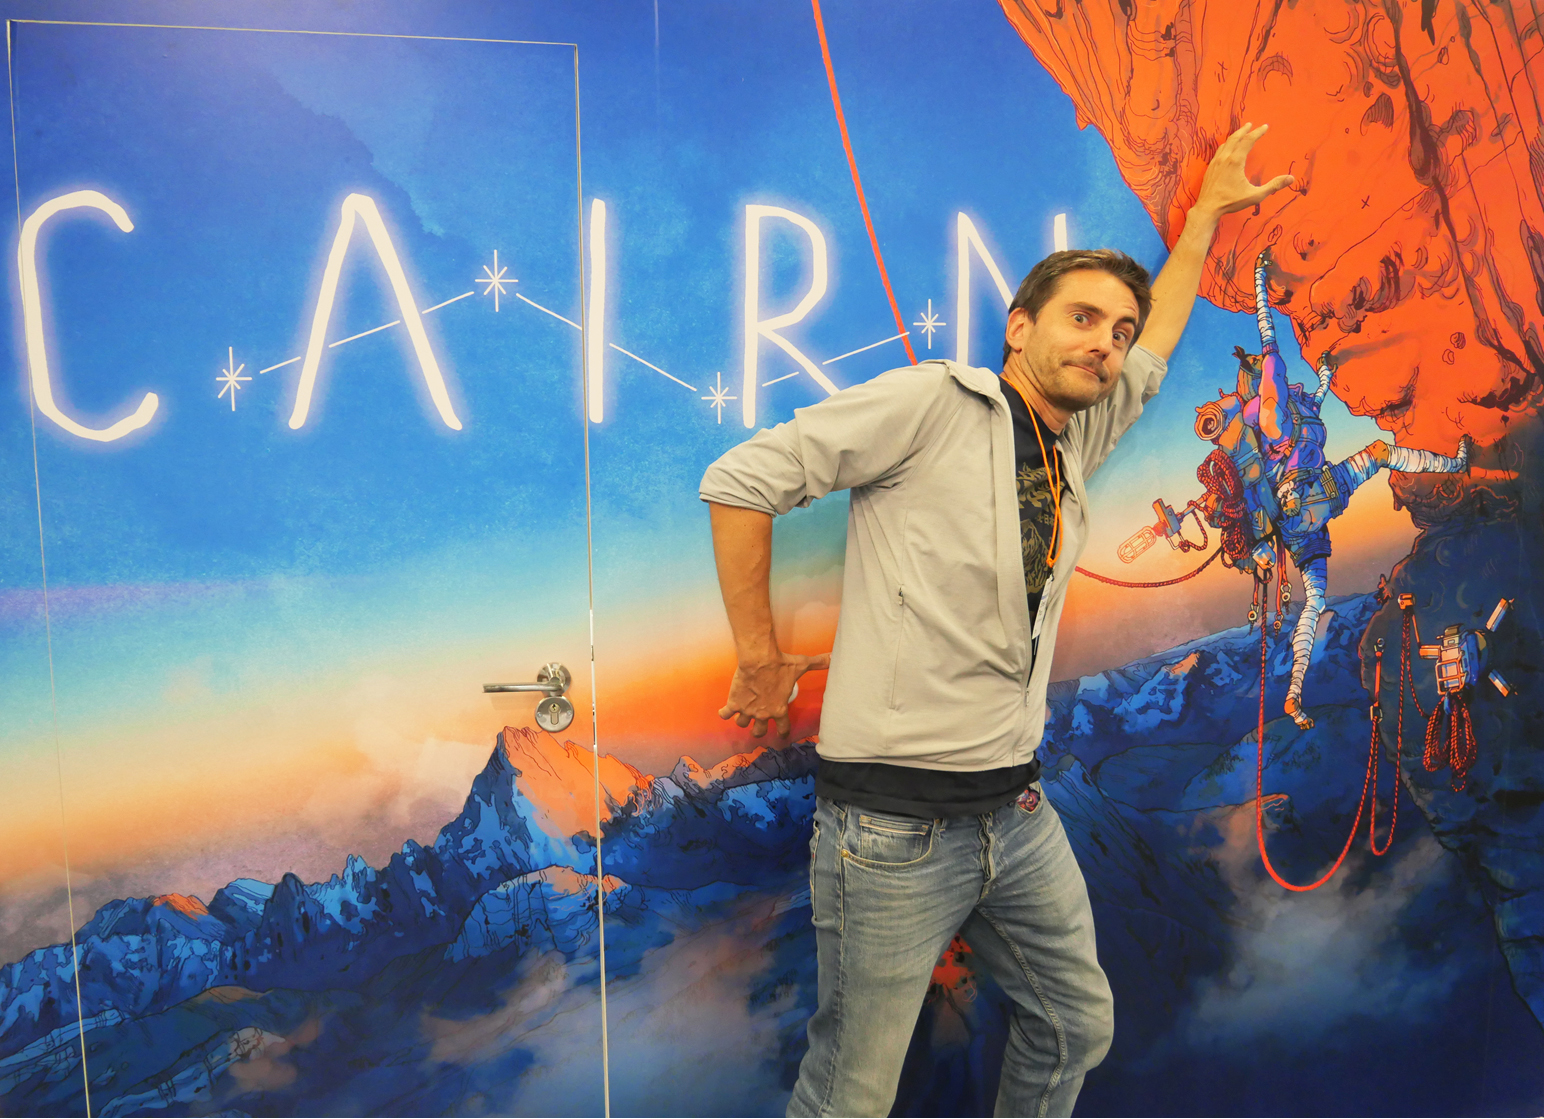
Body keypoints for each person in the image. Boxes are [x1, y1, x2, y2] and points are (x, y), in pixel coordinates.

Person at [699, 125, 1293, 1117]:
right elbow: (741, 480)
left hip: (1013, 815)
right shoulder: (934, 403)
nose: (1104, 344)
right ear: (1018, 328)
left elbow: (1154, 348)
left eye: (1114, 331)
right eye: (1081, 319)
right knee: (850, 1093)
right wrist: (757, 655)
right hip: (889, 830)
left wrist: (1202, 219)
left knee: (1072, 1024)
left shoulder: (1074, 440)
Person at [1196, 246, 1470, 729]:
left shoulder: (1283, 412)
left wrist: (1323, 376)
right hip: (1314, 492)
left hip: (1309, 510)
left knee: (1317, 598)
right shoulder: (1270, 415)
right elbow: (1272, 350)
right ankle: (1454, 463)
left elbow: (1310, 407)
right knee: (1377, 458)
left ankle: (1294, 693)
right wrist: (1259, 286)